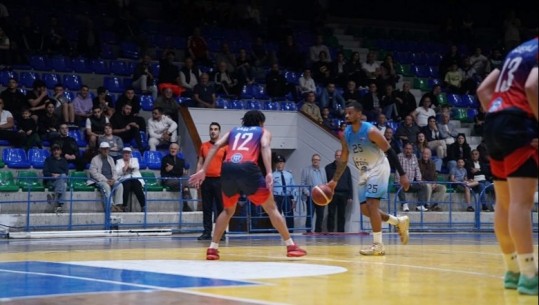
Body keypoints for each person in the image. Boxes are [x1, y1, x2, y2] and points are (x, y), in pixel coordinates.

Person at [189, 110, 306, 260]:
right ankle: (291, 246)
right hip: (248, 168)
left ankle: (212, 248)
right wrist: (269, 172)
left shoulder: (233, 131)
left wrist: (203, 170)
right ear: (261, 122)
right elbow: (264, 146)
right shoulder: (263, 131)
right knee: (271, 208)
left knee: (227, 211)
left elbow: (216, 145)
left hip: (228, 168)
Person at [476, 37, 538, 295]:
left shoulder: (518, 50)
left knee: (505, 202)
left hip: (494, 122)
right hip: (517, 124)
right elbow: (533, 86)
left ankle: (512, 271)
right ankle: (529, 275)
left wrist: (501, 114)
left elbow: (483, 90)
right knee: (521, 203)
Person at [326, 101, 411, 255]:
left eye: (350, 112)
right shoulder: (346, 134)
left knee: (372, 204)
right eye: (346, 113)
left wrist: (402, 174)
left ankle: (378, 245)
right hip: (364, 171)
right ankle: (398, 221)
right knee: (367, 210)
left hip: (378, 168)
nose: (346, 115)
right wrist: (334, 181)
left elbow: (390, 151)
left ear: (359, 114)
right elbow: (344, 159)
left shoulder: (371, 131)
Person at [196, 122, 226, 241]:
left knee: (220, 208)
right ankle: (207, 232)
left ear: (219, 132)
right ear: (209, 131)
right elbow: (200, 162)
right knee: (207, 207)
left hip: (220, 180)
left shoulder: (224, 146)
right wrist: (197, 177)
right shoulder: (203, 146)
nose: (213, 131)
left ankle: (221, 233)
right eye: (211, 129)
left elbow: (228, 163)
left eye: (216, 129)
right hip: (206, 180)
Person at [89, 142, 124, 212]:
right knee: (106, 186)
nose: (106, 151)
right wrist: (105, 180)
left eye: (107, 149)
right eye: (104, 149)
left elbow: (114, 171)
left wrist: (114, 179)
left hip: (111, 180)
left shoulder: (110, 159)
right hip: (100, 181)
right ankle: (110, 206)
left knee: (119, 185)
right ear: (100, 150)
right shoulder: (95, 159)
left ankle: (118, 205)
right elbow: (94, 173)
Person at [324, 150, 353, 232]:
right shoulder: (328, 168)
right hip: (332, 194)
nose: (339, 157)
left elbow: (349, 182)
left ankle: (341, 231)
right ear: (335, 156)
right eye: (337, 155)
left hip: (344, 194)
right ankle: (330, 231)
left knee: (342, 215)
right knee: (331, 213)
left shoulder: (346, 168)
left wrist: (350, 196)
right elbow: (325, 182)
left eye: (340, 155)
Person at [397, 143, 429, 212]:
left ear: (412, 150)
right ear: (403, 149)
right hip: (402, 183)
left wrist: (419, 180)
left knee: (423, 186)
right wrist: (399, 180)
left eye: (410, 149)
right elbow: (397, 170)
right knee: (398, 185)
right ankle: (404, 204)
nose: (408, 150)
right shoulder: (400, 156)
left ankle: (420, 205)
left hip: (411, 183)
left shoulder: (414, 157)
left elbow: (417, 169)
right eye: (407, 149)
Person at [301, 154, 327, 233]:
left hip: (321, 197)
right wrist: (308, 193)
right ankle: (308, 231)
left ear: (319, 161)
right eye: (314, 159)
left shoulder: (323, 170)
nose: (315, 161)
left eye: (317, 160)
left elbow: (325, 183)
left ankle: (318, 231)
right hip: (311, 196)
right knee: (310, 215)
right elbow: (303, 183)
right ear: (312, 160)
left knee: (320, 215)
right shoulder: (306, 170)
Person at [116, 147, 146, 212]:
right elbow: (117, 172)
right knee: (126, 183)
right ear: (123, 154)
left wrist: (128, 167)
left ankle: (143, 206)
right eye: (125, 153)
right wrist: (123, 169)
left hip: (135, 179)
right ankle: (124, 206)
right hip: (125, 179)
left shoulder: (134, 159)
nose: (126, 154)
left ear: (130, 154)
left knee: (136, 183)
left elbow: (136, 167)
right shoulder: (119, 161)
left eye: (128, 153)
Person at [272, 154, 297, 232]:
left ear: (284, 164)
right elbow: (269, 188)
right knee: (277, 216)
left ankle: (290, 232)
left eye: (281, 163)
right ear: (275, 164)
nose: (280, 165)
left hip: (287, 197)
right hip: (277, 197)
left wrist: (294, 199)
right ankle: (276, 232)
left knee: (289, 215)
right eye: (278, 163)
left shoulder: (289, 175)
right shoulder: (272, 175)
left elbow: (294, 187)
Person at [43, 144, 68, 213]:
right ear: (52, 152)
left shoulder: (64, 161)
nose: (56, 152)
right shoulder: (48, 160)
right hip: (51, 180)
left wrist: (59, 175)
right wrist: (52, 174)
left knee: (63, 177)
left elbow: (66, 173)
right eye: (54, 150)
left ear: (60, 151)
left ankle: (55, 194)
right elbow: (45, 172)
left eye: (57, 150)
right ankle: (59, 206)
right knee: (64, 185)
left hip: (61, 179)